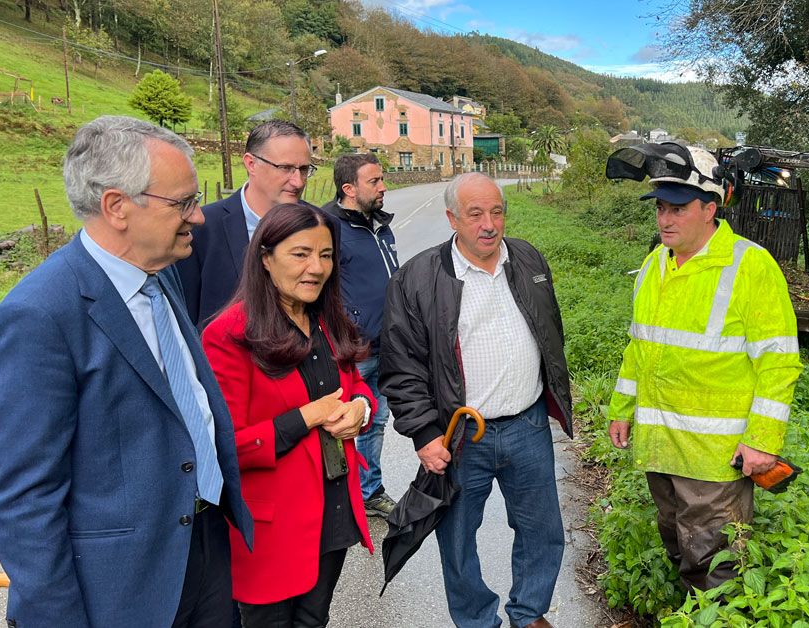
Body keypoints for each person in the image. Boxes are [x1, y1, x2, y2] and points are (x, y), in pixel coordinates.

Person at [0, 115, 253, 627]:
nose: (198, 217)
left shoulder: (161, 274)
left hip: (202, 545)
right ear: (117, 206)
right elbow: (24, 498)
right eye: (183, 202)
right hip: (118, 588)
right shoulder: (41, 313)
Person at [606, 143, 803, 591]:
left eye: (677, 208)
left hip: (716, 458)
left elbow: (778, 361)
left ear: (710, 208)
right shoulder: (655, 263)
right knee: (676, 540)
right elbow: (640, 346)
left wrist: (763, 441)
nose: (665, 219)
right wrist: (622, 407)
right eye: (660, 207)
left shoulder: (750, 266)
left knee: (714, 562)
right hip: (662, 445)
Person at [380, 172, 573, 628]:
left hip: (527, 426)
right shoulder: (418, 278)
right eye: (475, 214)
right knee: (458, 537)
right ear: (451, 218)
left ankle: (529, 613)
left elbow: (550, 332)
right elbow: (400, 366)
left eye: (497, 211)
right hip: (461, 434)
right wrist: (426, 434)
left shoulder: (527, 259)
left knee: (542, 531)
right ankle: (476, 620)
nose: (489, 224)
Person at [201, 203, 375, 627]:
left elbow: (353, 384)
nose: (316, 268)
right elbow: (224, 446)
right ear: (265, 256)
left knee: (315, 620)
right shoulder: (230, 335)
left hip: (333, 508)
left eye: (326, 254)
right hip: (273, 527)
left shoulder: (326, 321)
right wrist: (306, 416)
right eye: (300, 254)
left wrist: (361, 408)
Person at [178, 120, 318, 328]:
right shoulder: (203, 228)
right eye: (285, 168)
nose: (298, 182)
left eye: (304, 169)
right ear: (251, 164)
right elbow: (187, 316)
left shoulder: (322, 227)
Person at [321, 153, 399, 518]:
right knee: (343, 422)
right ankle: (338, 498)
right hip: (353, 348)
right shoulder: (328, 227)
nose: (383, 187)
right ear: (349, 189)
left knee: (376, 420)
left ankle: (368, 491)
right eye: (374, 182)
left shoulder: (381, 225)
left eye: (382, 179)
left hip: (387, 343)